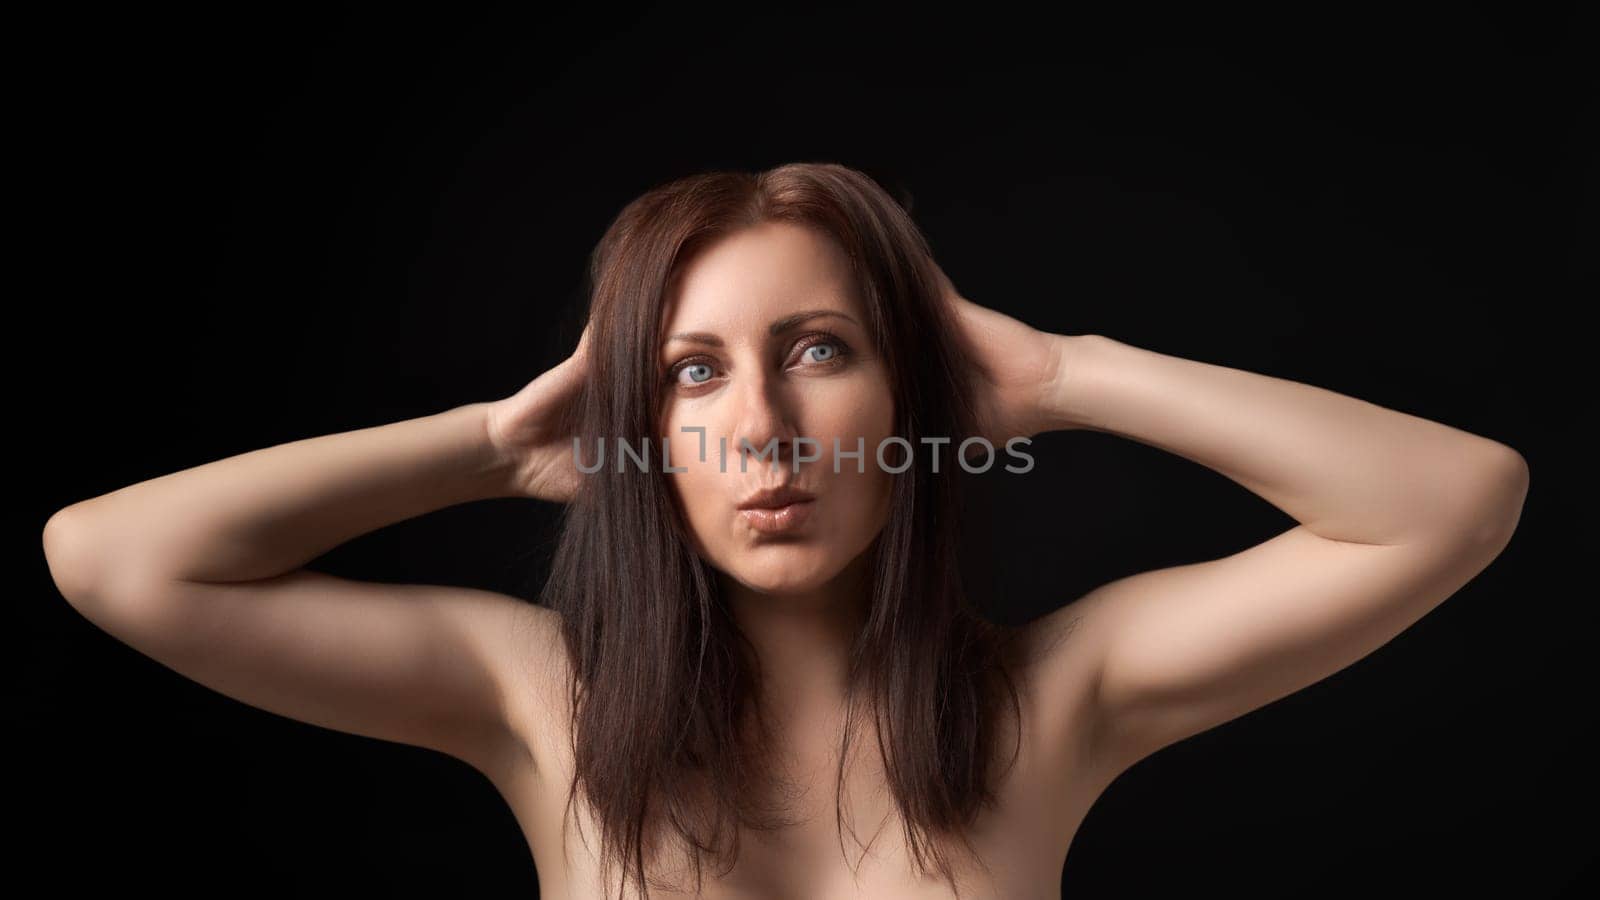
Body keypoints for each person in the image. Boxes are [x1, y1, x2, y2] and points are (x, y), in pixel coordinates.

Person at [41, 162, 1529, 900]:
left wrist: (1070, 372)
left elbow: (1456, 503)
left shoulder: (1054, 702)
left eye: (821, 348)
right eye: (692, 371)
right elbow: (112, 558)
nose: (761, 425)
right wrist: (493, 444)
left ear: (909, 390)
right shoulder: (532, 699)